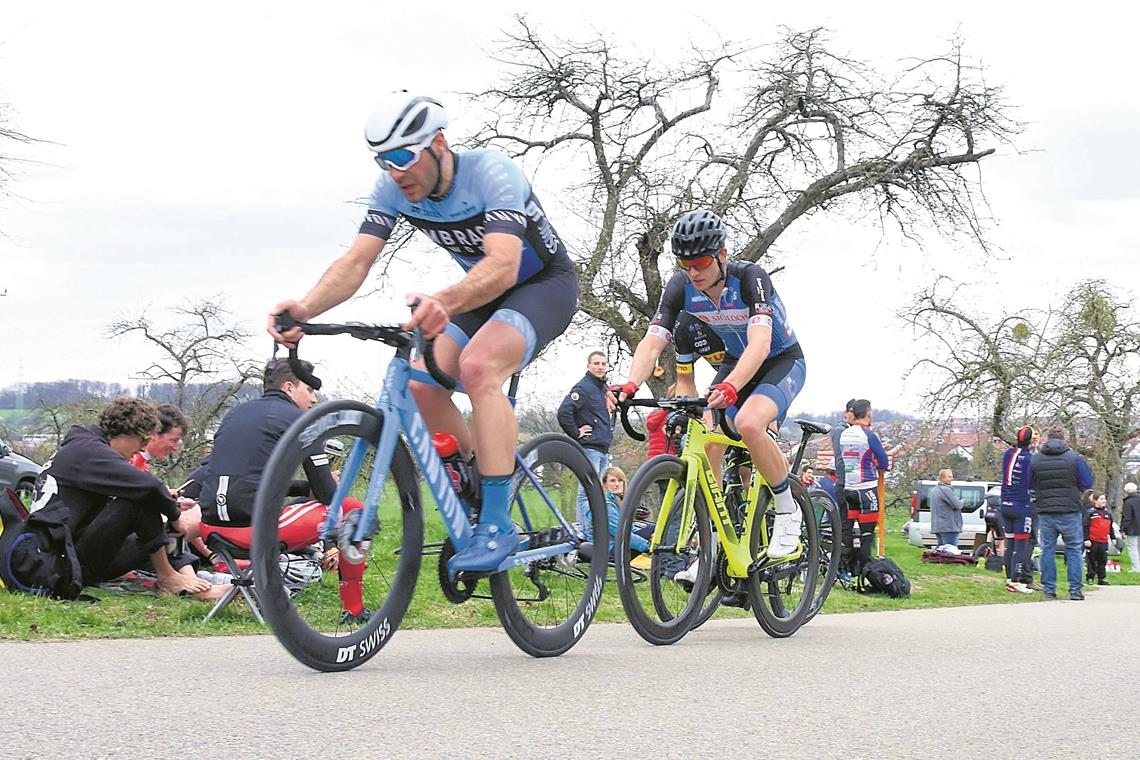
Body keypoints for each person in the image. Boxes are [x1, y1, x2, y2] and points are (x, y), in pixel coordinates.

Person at [270, 92, 577, 576]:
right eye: (383, 160)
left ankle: (498, 522)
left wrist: (446, 302)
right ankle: (480, 479)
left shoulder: (492, 173)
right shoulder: (393, 189)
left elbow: (503, 264)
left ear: (438, 143)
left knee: (478, 367)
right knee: (419, 384)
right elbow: (356, 262)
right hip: (481, 295)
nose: (394, 171)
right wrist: (305, 307)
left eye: (402, 157)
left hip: (541, 285)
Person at [608, 209, 806, 559]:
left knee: (747, 422)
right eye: (686, 265)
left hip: (780, 361)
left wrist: (731, 387)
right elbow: (653, 341)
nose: (693, 272)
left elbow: (760, 344)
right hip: (734, 364)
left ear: (722, 256)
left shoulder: (750, 278)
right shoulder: (681, 286)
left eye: (700, 262)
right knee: (708, 438)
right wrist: (630, 384)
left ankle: (788, 510)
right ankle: (714, 541)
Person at [196, 359, 369, 619]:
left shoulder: (235, 414)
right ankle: (354, 608)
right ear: (289, 387)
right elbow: (328, 496)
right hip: (253, 529)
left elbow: (250, 480)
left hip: (209, 526)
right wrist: (326, 484)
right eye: (309, 390)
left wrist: (304, 487)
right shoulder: (299, 420)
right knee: (354, 510)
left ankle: (240, 577)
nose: (313, 399)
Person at [15, 398, 217, 598]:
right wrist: (175, 517)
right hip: (62, 567)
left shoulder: (82, 446)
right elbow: (150, 487)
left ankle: (187, 577)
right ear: (127, 433)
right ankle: (169, 577)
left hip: (58, 558)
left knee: (148, 513)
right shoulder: (90, 451)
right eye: (143, 440)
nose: (143, 447)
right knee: (141, 501)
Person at [1031, 427, 1094, 601]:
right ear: (1064, 439)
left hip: (1045, 509)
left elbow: (1029, 483)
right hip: (1070, 509)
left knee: (1047, 550)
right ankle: (1075, 590)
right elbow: (1087, 482)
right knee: (1073, 549)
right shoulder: (1075, 458)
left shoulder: (1035, 459)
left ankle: (1049, 590)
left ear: (1047, 438)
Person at [558, 351, 613, 526]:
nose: (600, 367)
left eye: (603, 364)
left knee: (600, 491)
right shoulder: (584, 388)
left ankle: (597, 526)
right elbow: (564, 412)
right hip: (590, 447)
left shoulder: (603, 388)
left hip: (603, 449)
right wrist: (576, 432)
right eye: (596, 363)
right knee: (587, 489)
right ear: (588, 366)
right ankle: (582, 527)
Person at [838, 399, 889, 574]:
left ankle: (847, 567)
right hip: (866, 489)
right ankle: (863, 570)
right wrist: (876, 462)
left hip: (849, 488)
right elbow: (884, 462)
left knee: (850, 532)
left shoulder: (845, 434)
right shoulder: (869, 435)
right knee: (867, 534)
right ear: (868, 413)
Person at [1000, 426, 1036, 593]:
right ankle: (1016, 581)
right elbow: (1032, 481)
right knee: (1021, 545)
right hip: (1021, 505)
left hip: (1005, 503)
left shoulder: (1008, 454)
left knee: (1010, 544)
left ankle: (1008, 578)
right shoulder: (1029, 458)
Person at [1083, 493, 1117, 586]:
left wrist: (1113, 537)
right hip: (1093, 540)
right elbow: (1085, 526)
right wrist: (1086, 539)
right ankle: (1090, 577)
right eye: (1101, 499)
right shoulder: (1090, 512)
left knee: (1103, 560)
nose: (1104, 501)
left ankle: (1101, 578)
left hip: (1104, 540)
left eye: (1104, 498)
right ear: (1095, 500)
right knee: (1091, 560)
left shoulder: (1107, 513)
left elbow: (1110, 527)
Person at [928, 468, 964, 551]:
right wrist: (962, 501)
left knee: (941, 551)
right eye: (949, 477)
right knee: (950, 552)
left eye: (952, 477)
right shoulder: (946, 490)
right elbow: (957, 505)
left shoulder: (934, 490)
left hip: (938, 526)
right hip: (948, 526)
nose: (952, 479)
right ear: (942, 478)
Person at [1123, 481, 1140, 573]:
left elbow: (1127, 517)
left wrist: (1123, 529)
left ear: (1126, 492)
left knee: (1132, 547)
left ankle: (1136, 568)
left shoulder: (1128, 502)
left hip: (1132, 528)